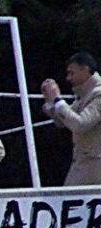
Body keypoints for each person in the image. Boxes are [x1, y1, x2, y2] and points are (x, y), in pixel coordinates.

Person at [41, 52, 101, 185]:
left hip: (94, 163)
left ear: (85, 70)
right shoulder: (84, 95)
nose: (68, 78)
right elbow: (64, 121)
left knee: (70, 197)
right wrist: (51, 102)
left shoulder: (98, 95)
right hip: (84, 162)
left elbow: (80, 125)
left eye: (71, 73)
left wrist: (58, 100)